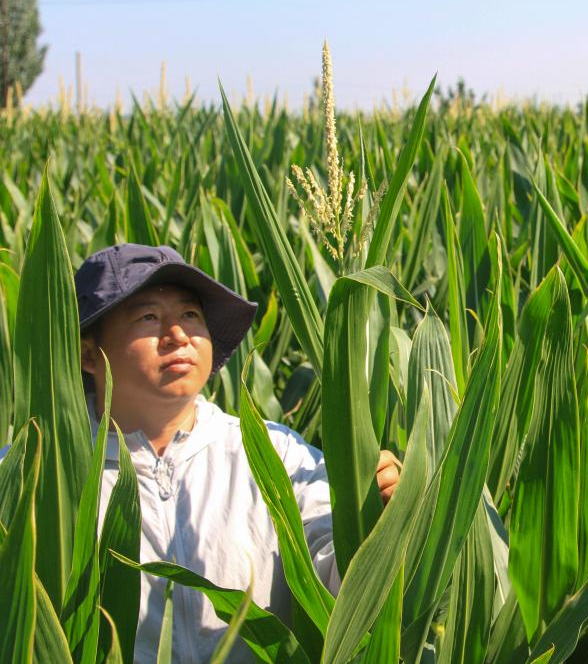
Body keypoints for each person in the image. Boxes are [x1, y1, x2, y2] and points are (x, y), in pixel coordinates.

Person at [22, 243, 400, 662]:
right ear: (87, 354)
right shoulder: (37, 473)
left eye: (190, 315)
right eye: (149, 317)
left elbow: (338, 588)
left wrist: (377, 521)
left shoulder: (273, 453)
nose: (178, 335)